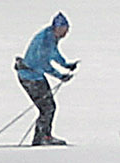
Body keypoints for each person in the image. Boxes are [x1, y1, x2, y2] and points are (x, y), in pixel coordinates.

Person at [15, 12, 77, 145]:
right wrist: (60, 76)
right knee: (47, 108)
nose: (66, 33)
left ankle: (43, 137)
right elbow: (44, 64)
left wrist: (65, 64)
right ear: (57, 28)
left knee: (48, 107)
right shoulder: (45, 40)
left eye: (67, 30)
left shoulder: (50, 36)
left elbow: (54, 53)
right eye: (64, 30)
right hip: (30, 77)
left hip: (36, 76)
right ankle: (43, 137)